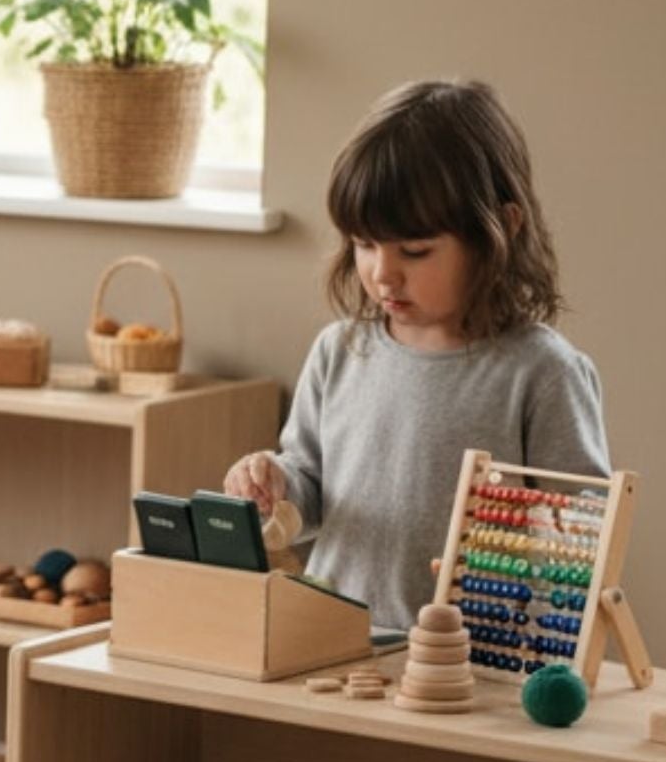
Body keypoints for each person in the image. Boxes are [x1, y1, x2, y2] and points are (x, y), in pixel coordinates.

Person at [224, 79, 609, 628]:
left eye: (416, 250)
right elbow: (310, 487)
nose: (383, 273)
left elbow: (582, 535)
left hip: (475, 670)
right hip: (339, 645)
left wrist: (510, 558)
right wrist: (278, 482)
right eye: (363, 244)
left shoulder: (541, 373)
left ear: (501, 228)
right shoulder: (340, 351)